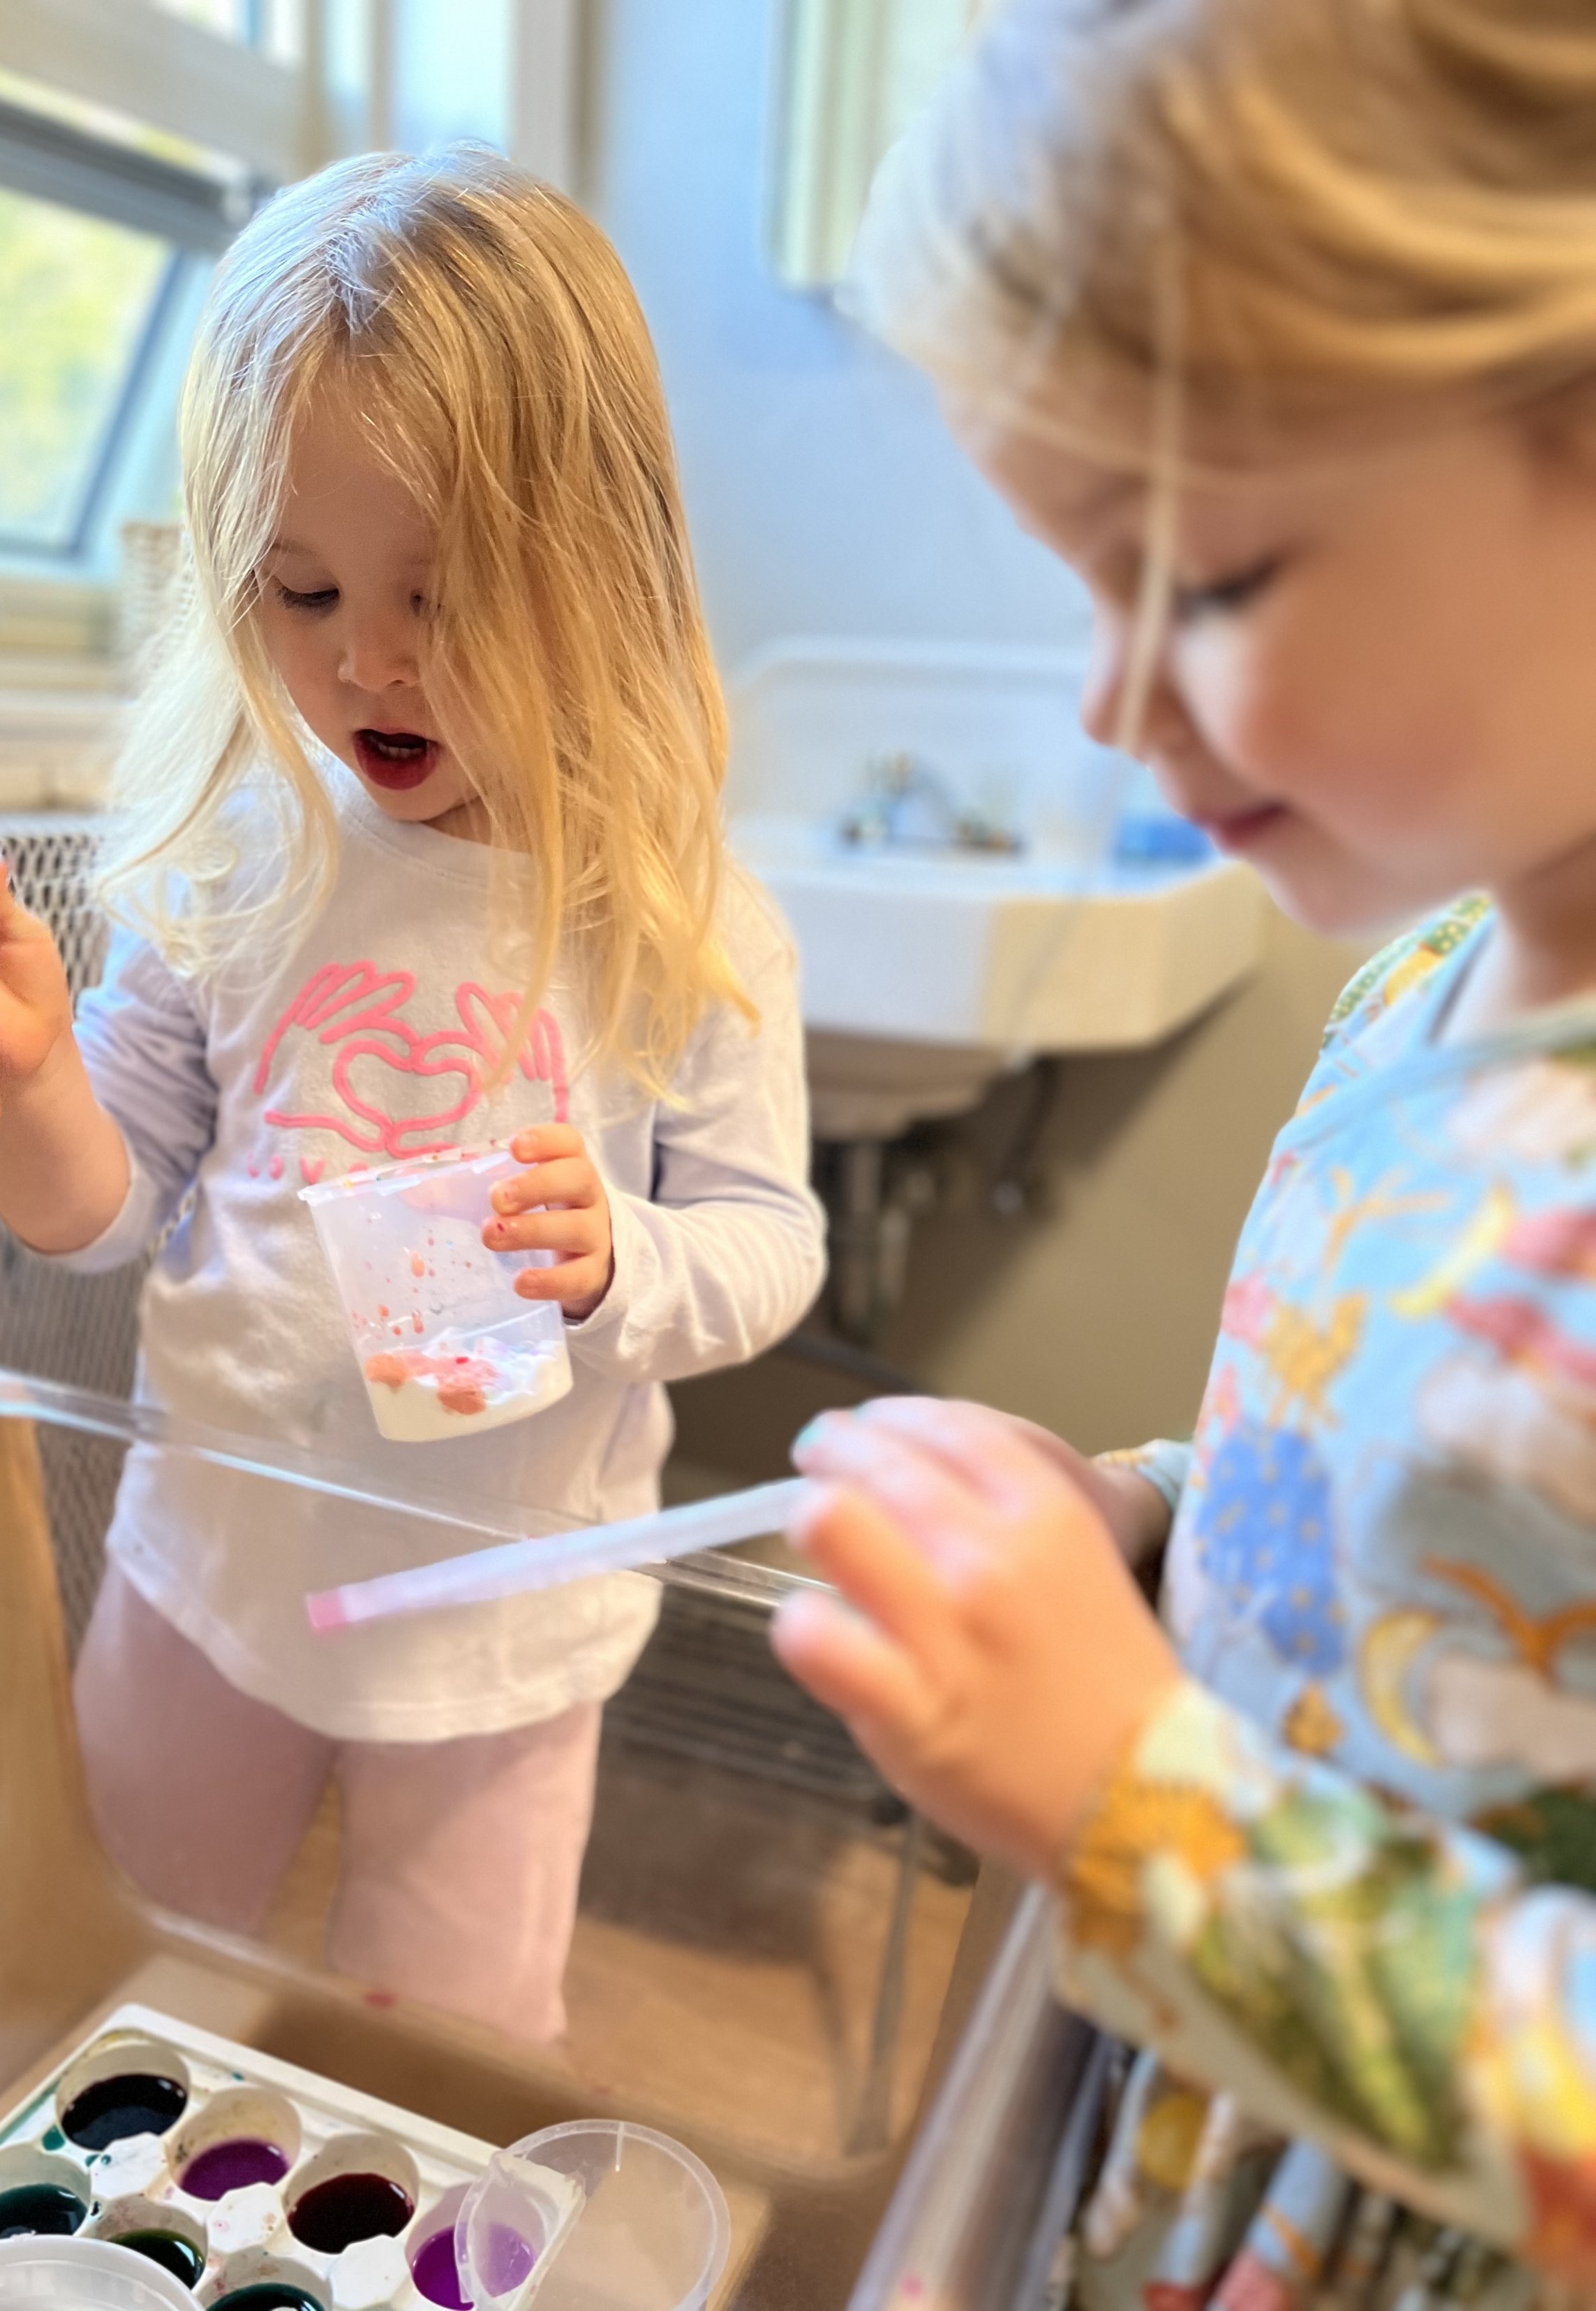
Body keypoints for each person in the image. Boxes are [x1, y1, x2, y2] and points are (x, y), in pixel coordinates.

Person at [769, 0, 1596, 2295]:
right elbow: (1426, 1487)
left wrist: (1145, 1810)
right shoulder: (1413, 989)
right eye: (1083, 578)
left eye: (1204, 579)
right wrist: (1135, 1512)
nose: (1108, 700)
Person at [0, 152, 824, 2045]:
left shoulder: (674, 915)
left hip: (502, 1617)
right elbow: (93, 1214)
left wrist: (616, 1264)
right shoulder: (248, 855)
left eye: (442, 599)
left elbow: (767, 1242)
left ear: (602, 580)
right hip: (211, 1566)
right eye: (300, 590)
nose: (366, 661)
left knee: (449, 2048)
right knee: (113, 1987)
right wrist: (31, 1071)